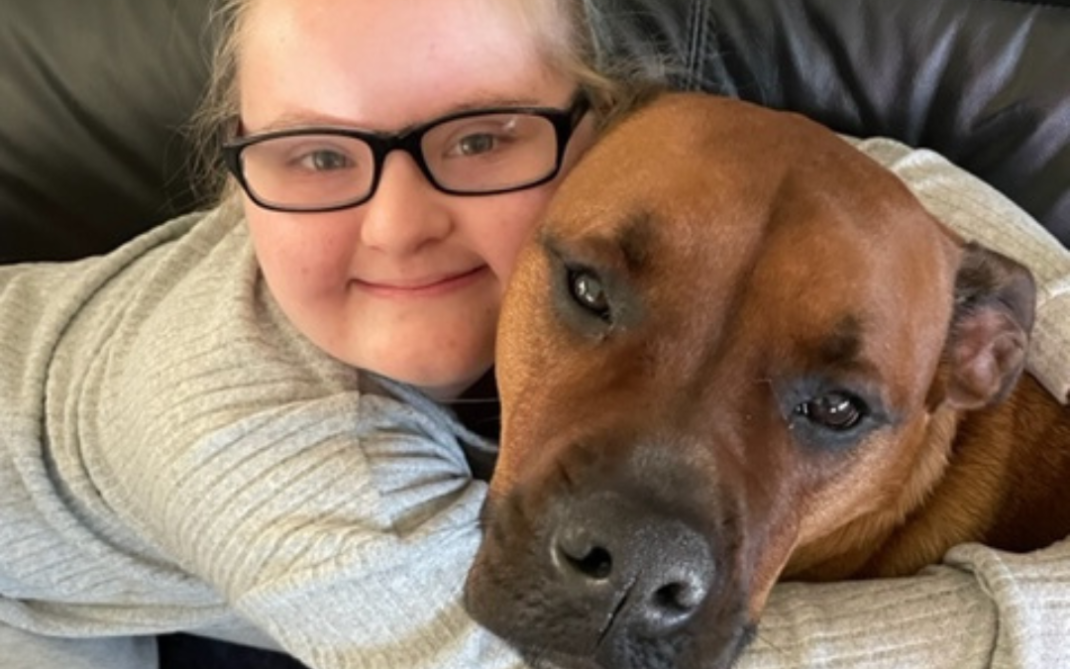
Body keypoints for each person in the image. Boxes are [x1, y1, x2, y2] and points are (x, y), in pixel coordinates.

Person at [0, 2, 1068, 669]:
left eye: (479, 139)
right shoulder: (239, 426)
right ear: (240, 164)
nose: (398, 226)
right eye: (316, 154)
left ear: (587, 133)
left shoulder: (647, 176)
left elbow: (870, 187)